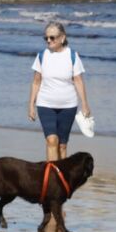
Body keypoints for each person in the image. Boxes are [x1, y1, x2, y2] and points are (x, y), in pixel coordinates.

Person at [28, 22, 91, 160]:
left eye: (52, 37)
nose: (49, 41)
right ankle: (52, 179)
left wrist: (85, 104)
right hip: (45, 105)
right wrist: (31, 105)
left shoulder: (72, 56)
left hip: (68, 106)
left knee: (62, 146)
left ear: (62, 38)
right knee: (51, 141)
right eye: (46, 38)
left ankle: (61, 179)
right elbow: (36, 82)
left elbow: (79, 81)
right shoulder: (41, 56)